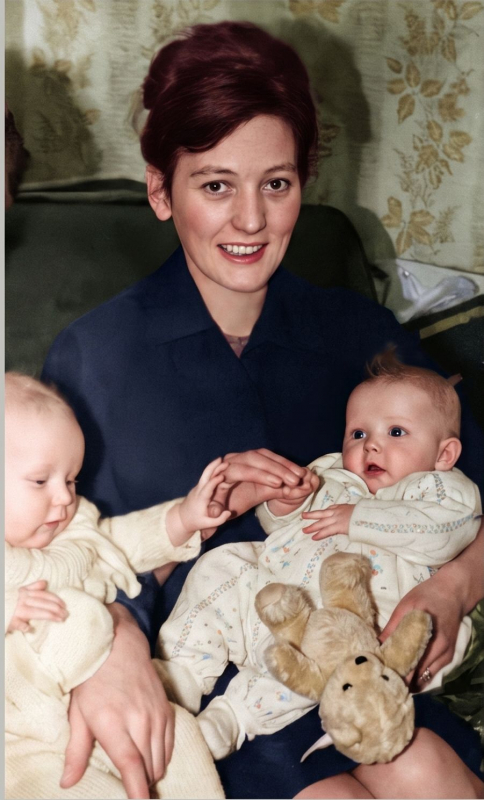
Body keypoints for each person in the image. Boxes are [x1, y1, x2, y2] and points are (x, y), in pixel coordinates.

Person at [41, 21, 484, 800]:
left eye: (275, 184)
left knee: (432, 776)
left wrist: (453, 590)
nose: (250, 220)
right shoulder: (93, 359)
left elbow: (471, 480)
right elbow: (64, 552)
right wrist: (114, 642)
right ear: (159, 189)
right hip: (212, 695)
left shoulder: (361, 335)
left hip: (363, 674)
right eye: (215, 185)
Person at [156, 352, 482, 767]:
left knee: (325, 666)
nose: (372, 444)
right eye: (358, 433)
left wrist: (358, 518)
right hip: (276, 592)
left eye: (396, 431)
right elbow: (281, 526)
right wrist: (284, 503)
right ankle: (181, 673)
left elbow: (442, 534)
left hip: (356, 623)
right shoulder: (331, 472)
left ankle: (231, 719)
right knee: (222, 566)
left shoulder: (443, 491)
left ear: (444, 454)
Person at [4, 372, 225, 799]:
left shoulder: (73, 534)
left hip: (110, 705)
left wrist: (183, 517)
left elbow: (121, 541)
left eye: (70, 480)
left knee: (178, 736)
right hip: (22, 742)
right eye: (40, 481)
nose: (65, 497)